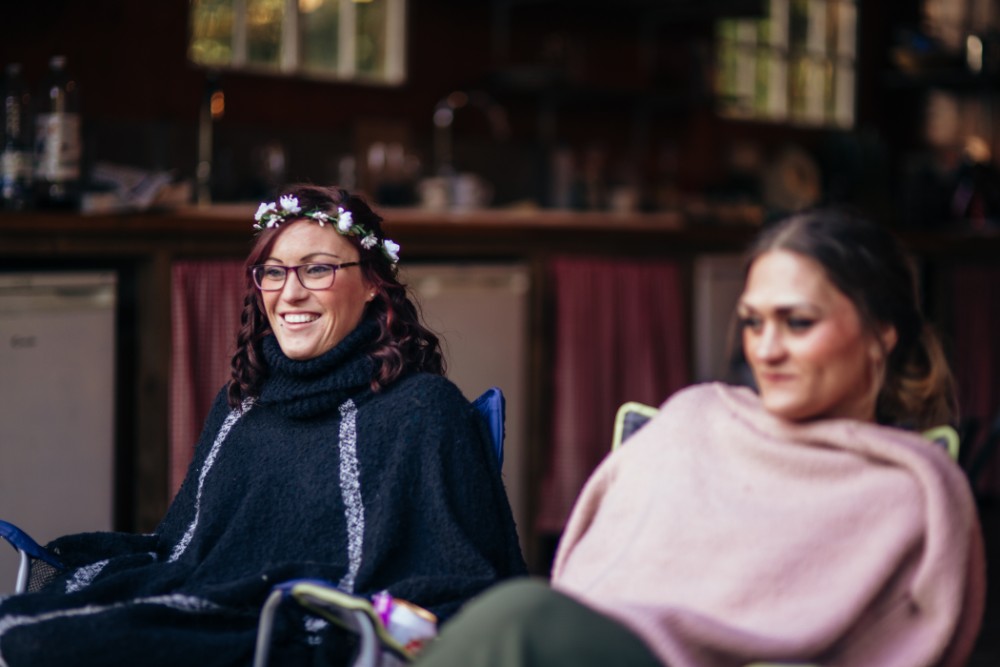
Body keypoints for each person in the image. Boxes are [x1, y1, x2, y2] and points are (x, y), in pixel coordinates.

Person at [413, 209, 986, 667]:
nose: (766, 349)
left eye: (799, 322)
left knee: (516, 618)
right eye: (755, 322)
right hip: (604, 640)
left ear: (880, 333)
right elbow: (596, 568)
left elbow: (910, 642)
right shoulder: (694, 419)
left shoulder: (909, 486)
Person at [0, 184, 527, 665]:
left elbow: (459, 578)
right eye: (274, 271)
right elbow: (185, 547)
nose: (290, 293)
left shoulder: (421, 410)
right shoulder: (243, 406)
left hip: (298, 628)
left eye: (317, 269)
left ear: (371, 283)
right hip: (222, 605)